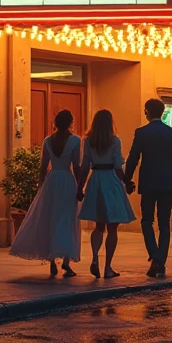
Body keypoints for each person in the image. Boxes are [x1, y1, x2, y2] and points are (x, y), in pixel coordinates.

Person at [9, 109, 81, 277]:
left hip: (52, 180)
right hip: (66, 180)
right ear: (71, 122)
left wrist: (41, 186)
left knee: (51, 218)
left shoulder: (48, 140)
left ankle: (51, 261)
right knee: (67, 219)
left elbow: (43, 166)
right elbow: (76, 165)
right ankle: (66, 261)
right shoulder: (75, 141)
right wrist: (80, 186)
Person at [124, 98, 172, 279]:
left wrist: (127, 179)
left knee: (146, 221)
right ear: (163, 112)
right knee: (164, 223)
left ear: (147, 112)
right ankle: (160, 260)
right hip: (167, 183)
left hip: (149, 183)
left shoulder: (142, 133)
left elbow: (133, 158)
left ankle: (155, 256)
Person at [78, 109, 135, 279]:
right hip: (111, 181)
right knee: (113, 227)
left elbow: (85, 165)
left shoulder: (88, 141)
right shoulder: (114, 141)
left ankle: (95, 258)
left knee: (98, 225)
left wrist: (80, 187)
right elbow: (118, 166)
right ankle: (108, 267)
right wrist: (126, 181)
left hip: (96, 180)